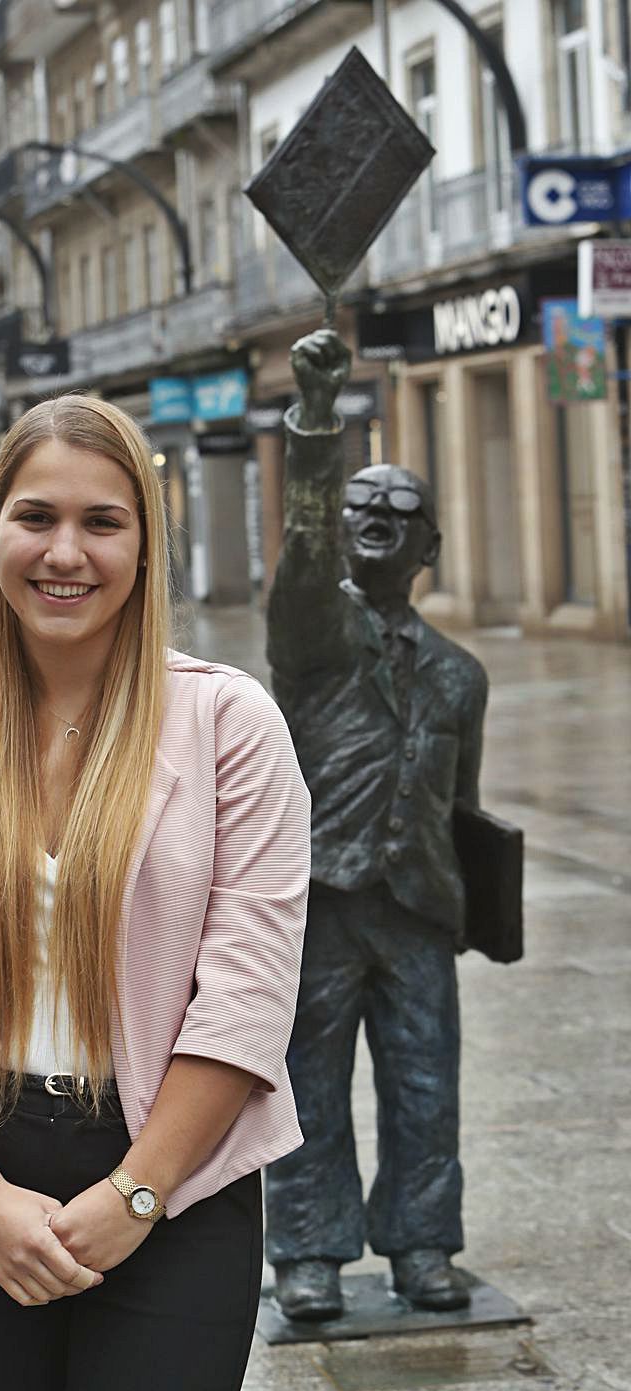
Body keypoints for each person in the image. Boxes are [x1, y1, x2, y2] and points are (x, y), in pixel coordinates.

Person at [0, 394, 310, 1391]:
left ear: (147, 541)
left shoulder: (227, 725)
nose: (65, 552)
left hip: (178, 1181)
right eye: (37, 516)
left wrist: (135, 1192)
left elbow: (244, 997)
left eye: (103, 522)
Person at [263, 330, 488, 1321]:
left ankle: (423, 1244)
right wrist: (318, 418)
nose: (375, 521)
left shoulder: (456, 674)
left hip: (415, 909)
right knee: (308, 1088)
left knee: (424, 1084)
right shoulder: (315, 634)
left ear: (431, 546)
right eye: (362, 508)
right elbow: (307, 543)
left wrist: (479, 902)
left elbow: (460, 804)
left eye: (399, 512)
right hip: (317, 901)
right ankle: (308, 1251)